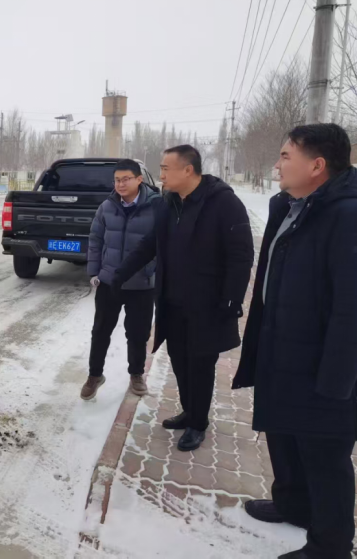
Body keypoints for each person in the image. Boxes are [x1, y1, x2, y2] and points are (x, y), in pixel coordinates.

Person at [233, 124, 357, 560]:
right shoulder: (291, 207)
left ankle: (329, 546)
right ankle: (293, 505)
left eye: (286, 156)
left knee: (324, 457)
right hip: (285, 352)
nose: (277, 164)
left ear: (317, 165)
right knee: (284, 436)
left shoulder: (355, 220)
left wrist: (335, 386)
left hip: (326, 367)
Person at [113, 145, 254, 452]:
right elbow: (150, 243)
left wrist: (232, 299)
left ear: (188, 170)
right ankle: (189, 411)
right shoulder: (169, 203)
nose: (161, 175)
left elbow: (241, 255)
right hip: (172, 302)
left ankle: (198, 423)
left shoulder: (224, 203)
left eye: (166, 169)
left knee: (200, 364)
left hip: (208, 305)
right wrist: (119, 274)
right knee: (180, 361)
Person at [82, 159, 160, 400]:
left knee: (138, 333)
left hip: (141, 284)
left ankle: (136, 374)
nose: (121, 184)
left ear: (139, 179)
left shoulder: (156, 207)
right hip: (110, 282)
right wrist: (94, 272)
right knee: (100, 331)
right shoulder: (107, 207)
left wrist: (151, 270)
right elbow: (95, 239)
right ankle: (94, 375)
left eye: (126, 179)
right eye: (117, 180)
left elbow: (164, 243)